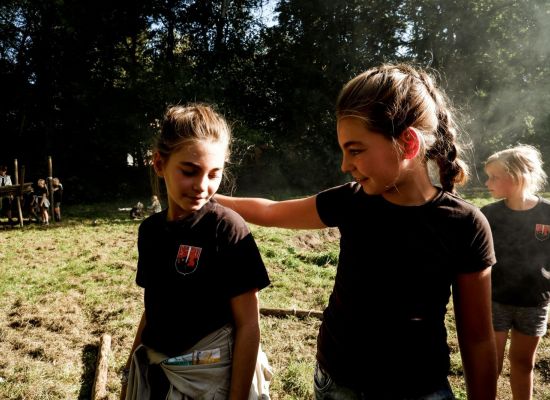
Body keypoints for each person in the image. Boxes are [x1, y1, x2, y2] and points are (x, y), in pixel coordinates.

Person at [216, 63, 498, 399]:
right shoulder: (352, 201)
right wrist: (210, 197)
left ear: (407, 144)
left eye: (356, 150)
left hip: (418, 390)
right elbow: (273, 211)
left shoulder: (466, 225)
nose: (345, 165)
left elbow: (478, 339)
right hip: (336, 384)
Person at [121, 104, 270, 400]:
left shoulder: (227, 229)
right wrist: (129, 373)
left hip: (210, 379)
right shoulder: (149, 231)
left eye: (214, 174)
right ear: (160, 163)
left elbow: (248, 324)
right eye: (190, 171)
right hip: (157, 373)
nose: (203, 186)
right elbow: (152, 309)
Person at [481, 145, 550, 400]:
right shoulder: (488, 215)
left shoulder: (548, 214)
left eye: (494, 177)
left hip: (534, 304)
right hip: (496, 301)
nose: (488, 183)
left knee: (523, 365)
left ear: (517, 176)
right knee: (492, 365)